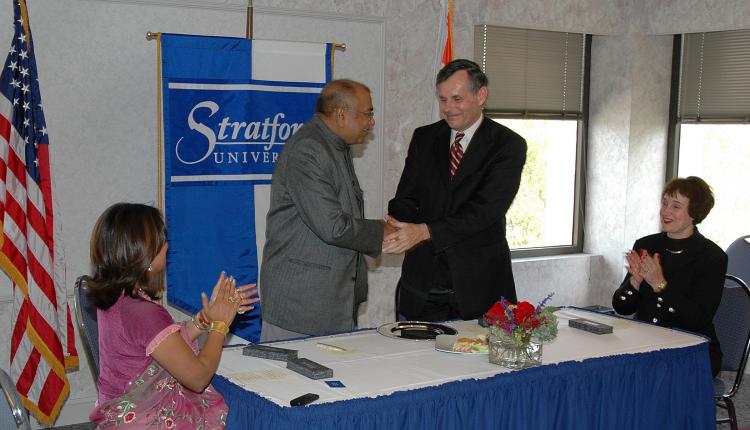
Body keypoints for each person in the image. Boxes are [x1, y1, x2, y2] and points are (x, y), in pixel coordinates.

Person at [87, 203, 258, 428]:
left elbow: (160, 344)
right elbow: (198, 378)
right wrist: (220, 326)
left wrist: (204, 319)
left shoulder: (117, 297)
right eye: (161, 239)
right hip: (145, 420)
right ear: (144, 253)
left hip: (121, 417)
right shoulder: (143, 313)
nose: (166, 246)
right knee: (244, 412)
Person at [384, 59, 527, 322]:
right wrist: (399, 225)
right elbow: (405, 197)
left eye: (457, 98)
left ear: (481, 94)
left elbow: (485, 211)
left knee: (481, 363)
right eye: (442, 100)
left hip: (478, 288)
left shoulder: (508, 145)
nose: (448, 108)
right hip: (423, 285)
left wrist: (424, 230)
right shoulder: (424, 138)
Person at [259, 79, 394, 341]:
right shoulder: (309, 149)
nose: (371, 122)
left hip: (330, 301)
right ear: (341, 114)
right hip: (302, 304)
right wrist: (383, 231)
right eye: (368, 113)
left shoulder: (334, 145)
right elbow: (332, 226)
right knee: (289, 382)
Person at [612, 176, 727, 376]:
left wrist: (660, 285)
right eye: (664, 203)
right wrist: (635, 281)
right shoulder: (646, 244)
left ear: (694, 213)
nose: (665, 211)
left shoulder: (712, 256)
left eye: (676, 206)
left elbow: (698, 319)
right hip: (645, 341)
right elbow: (622, 308)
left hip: (692, 347)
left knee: (646, 374)